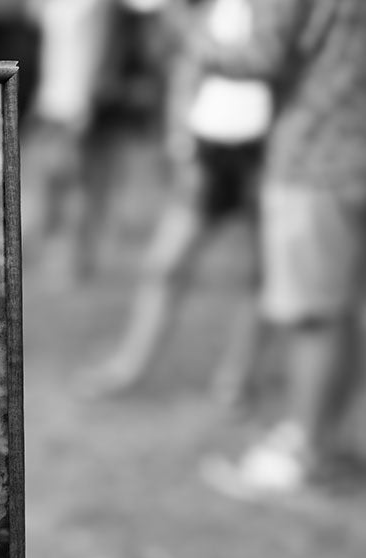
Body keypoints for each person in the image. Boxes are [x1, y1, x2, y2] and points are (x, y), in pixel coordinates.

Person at [196, 0, 366, 495]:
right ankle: (324, 442)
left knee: (315, 317)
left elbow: (260, 56)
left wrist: (188, 32)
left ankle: (307, 457)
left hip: (314, 159)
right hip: (350, 155)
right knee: (339, 312)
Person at [80, 0, 270, 404]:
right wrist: (181, 143)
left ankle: (237, 379)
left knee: (261, 272)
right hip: (209, 147)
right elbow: (185, 73)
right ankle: (130, 366)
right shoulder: (208, 11)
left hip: (266, 151)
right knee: (166, 264)